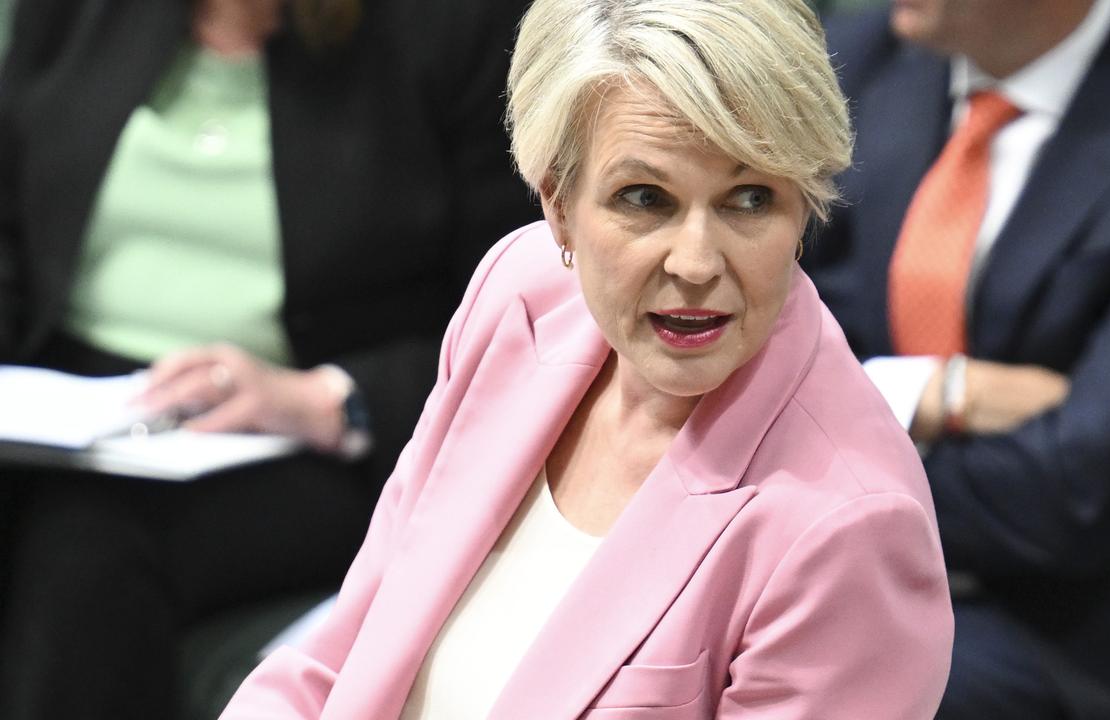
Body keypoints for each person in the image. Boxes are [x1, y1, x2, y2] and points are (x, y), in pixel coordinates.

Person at [219, 0, 955, 717]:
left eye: (750, 198)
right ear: (559, 206)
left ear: (804, 205)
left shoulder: (851, 527)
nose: (697, 262)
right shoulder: (521, 293)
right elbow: (343, 658)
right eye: (645, 198)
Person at [0, 0, 536, 717]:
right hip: (67, 401)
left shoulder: (454, 26)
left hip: (316, 437)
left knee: (88, 547)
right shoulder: (81, 14)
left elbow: (525, 313)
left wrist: (327, 398)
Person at [808, 0, 1110, 717]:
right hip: (850, 547)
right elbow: (770, 317)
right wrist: (926, 390)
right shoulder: (857, 57)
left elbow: (1069, 496)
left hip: (1066, 630)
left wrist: (797, 475)